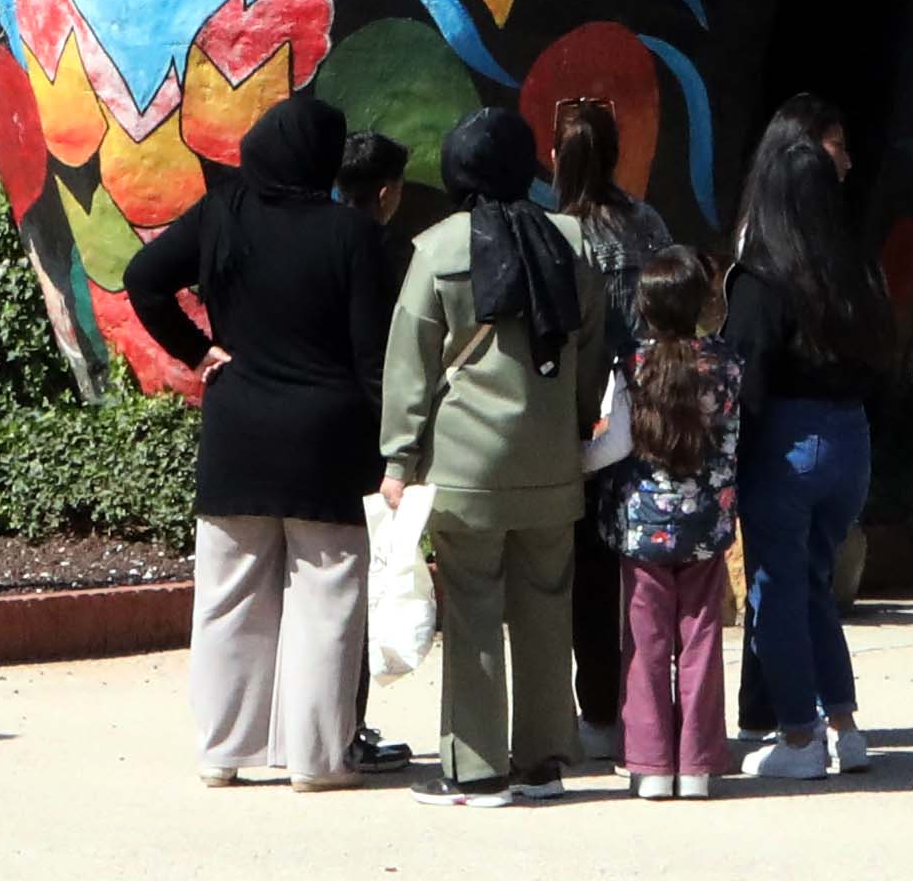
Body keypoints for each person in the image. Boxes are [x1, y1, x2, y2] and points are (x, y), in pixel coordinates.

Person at [127, 96, 406, 789]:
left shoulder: (224, 213)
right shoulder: (353, 235)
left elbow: (143, 279)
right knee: (328, 600)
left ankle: (224, 749)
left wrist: (197, 352)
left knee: (227, 596)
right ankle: (318, 757)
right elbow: (374, 357)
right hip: (328, 438)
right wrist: (392, 450)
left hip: (238, 430)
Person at [379, 105, 600, 798]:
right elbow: (591, 356)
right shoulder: (574, 243)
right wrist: (576, 420)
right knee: (546, 607)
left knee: (473, 608)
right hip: (551, 464)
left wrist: (398, 459)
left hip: (465, 468)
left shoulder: (437, 249)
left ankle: (474, 769)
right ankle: (542, 763)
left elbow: (410, 364)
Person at [724, 98, 890, 781]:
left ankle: (799, 735)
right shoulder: (858, 267)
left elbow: (745, 374)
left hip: (785, 441)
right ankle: (843, 725)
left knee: (777, 590)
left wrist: (732, 458)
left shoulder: (762, 275)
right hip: (851, 436)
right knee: (817, 584)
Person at [607, 239, 747, 798]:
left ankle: (650, 763)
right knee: (702, 637)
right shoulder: (726, 363)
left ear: (645, 306)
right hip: (706, 523)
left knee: (645, 642)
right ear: (701, 301)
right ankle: (697, 763)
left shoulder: (631, 365)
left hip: (641, 523)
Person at [548, 100, 668, 737]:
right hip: (646, 413)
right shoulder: (647, 223)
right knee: (644, 573)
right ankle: (644, 711)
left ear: (555, 158)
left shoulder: (555, 234)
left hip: (584, 418)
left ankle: (596, 710)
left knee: (587, 573)